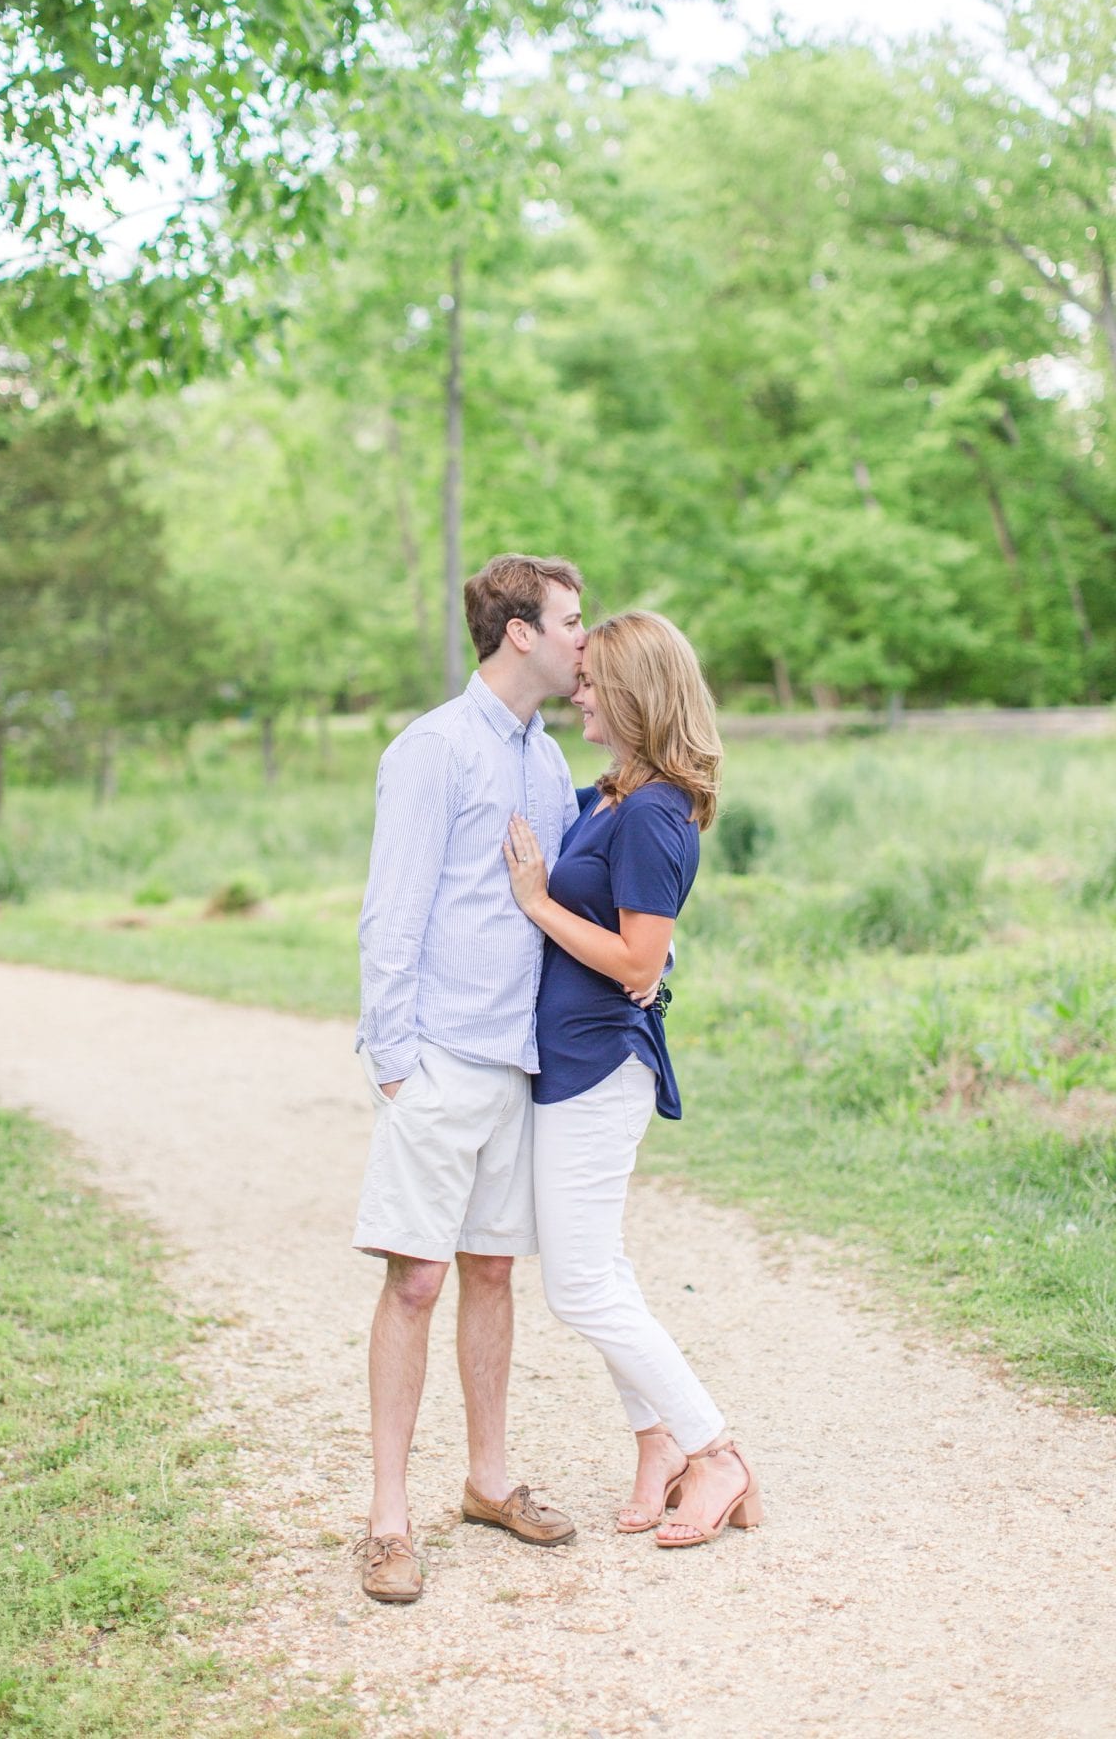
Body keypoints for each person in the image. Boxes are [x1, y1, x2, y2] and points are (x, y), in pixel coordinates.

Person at [352, 553, 587, 1604]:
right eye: (574, 621)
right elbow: (391, 909)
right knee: (416, 1277)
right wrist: (396, 1064)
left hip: (520, 1062)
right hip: (440, 1058)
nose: (587, 638)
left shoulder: (546, 759)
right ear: (521, 633)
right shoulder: (433, 748)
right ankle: (389, 1520)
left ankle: (488, 1482)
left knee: (493, 1271)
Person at [504, 611, 761, 1549]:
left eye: (594, 681)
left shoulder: (654, 812)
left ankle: (715, 1451)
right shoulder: (616, 793)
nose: (580, 693)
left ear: (637, 695)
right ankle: (655, 1443)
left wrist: (535, 904)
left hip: (600, 1066)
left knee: (578, 1287)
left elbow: (637, 961)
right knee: (598, 1269)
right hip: (569, 1065)